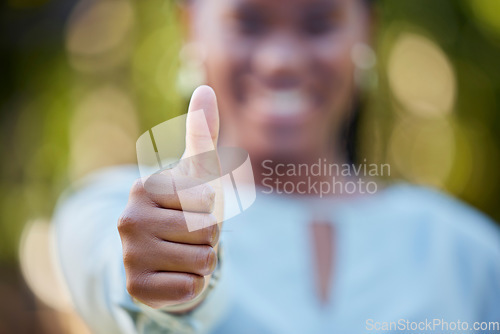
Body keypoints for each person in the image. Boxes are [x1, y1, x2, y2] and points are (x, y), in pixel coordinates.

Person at [53, 0, 500, 333]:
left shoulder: (468, 254)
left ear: (367, 29)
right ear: (190, 26)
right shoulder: (110, 213)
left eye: (319, 23)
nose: (280, 60)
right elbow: (114, 271)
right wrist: (171, 276)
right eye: (248, 22)